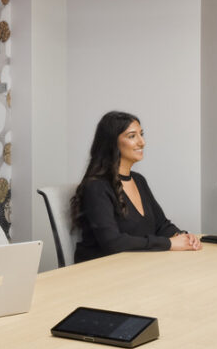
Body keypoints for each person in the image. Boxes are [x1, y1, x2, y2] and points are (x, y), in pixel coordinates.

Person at [72, 111, 202, 263]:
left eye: (141, 134)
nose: (142, 142)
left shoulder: (139, 180)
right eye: (132, 136)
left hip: (134, 265)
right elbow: (112, 243)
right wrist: (170, 244)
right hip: (100, 271)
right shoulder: (96, 187)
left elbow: (161, 225)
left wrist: (181, 236)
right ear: (112, 142)